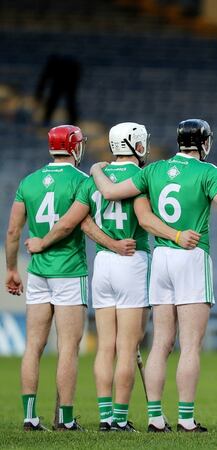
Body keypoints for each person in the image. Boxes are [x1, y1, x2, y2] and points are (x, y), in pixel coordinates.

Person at [89, 119, 217, 432]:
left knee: (160, 344)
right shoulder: (208, 172)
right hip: (192, 257)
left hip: (161, 256)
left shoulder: (153, 170)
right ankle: (186, 418)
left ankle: (156, 418)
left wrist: (95, 170)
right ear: (203, 143)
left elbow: (110, 191)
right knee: (189, 345)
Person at [25, 122, 199, 431]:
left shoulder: (95, 179)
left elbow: (80, 221)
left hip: (103, 265)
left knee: (105, 346)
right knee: (128, 348)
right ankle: (119, 418)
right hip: (132, 261)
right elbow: (145, 219)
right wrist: (173, 236)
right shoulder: (141, 177)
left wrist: (107, 243)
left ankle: (105, 417)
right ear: (139, 146)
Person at [5, 125, 126, 431]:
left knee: (33, 346)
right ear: (75, 148)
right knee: (68, 348)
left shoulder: (29, 181)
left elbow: (13, 232)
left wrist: (11, 269)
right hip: (69, 272)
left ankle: (30, 417)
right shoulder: (82, 181)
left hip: (37, 273)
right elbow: (75, 224)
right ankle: (67, 419)